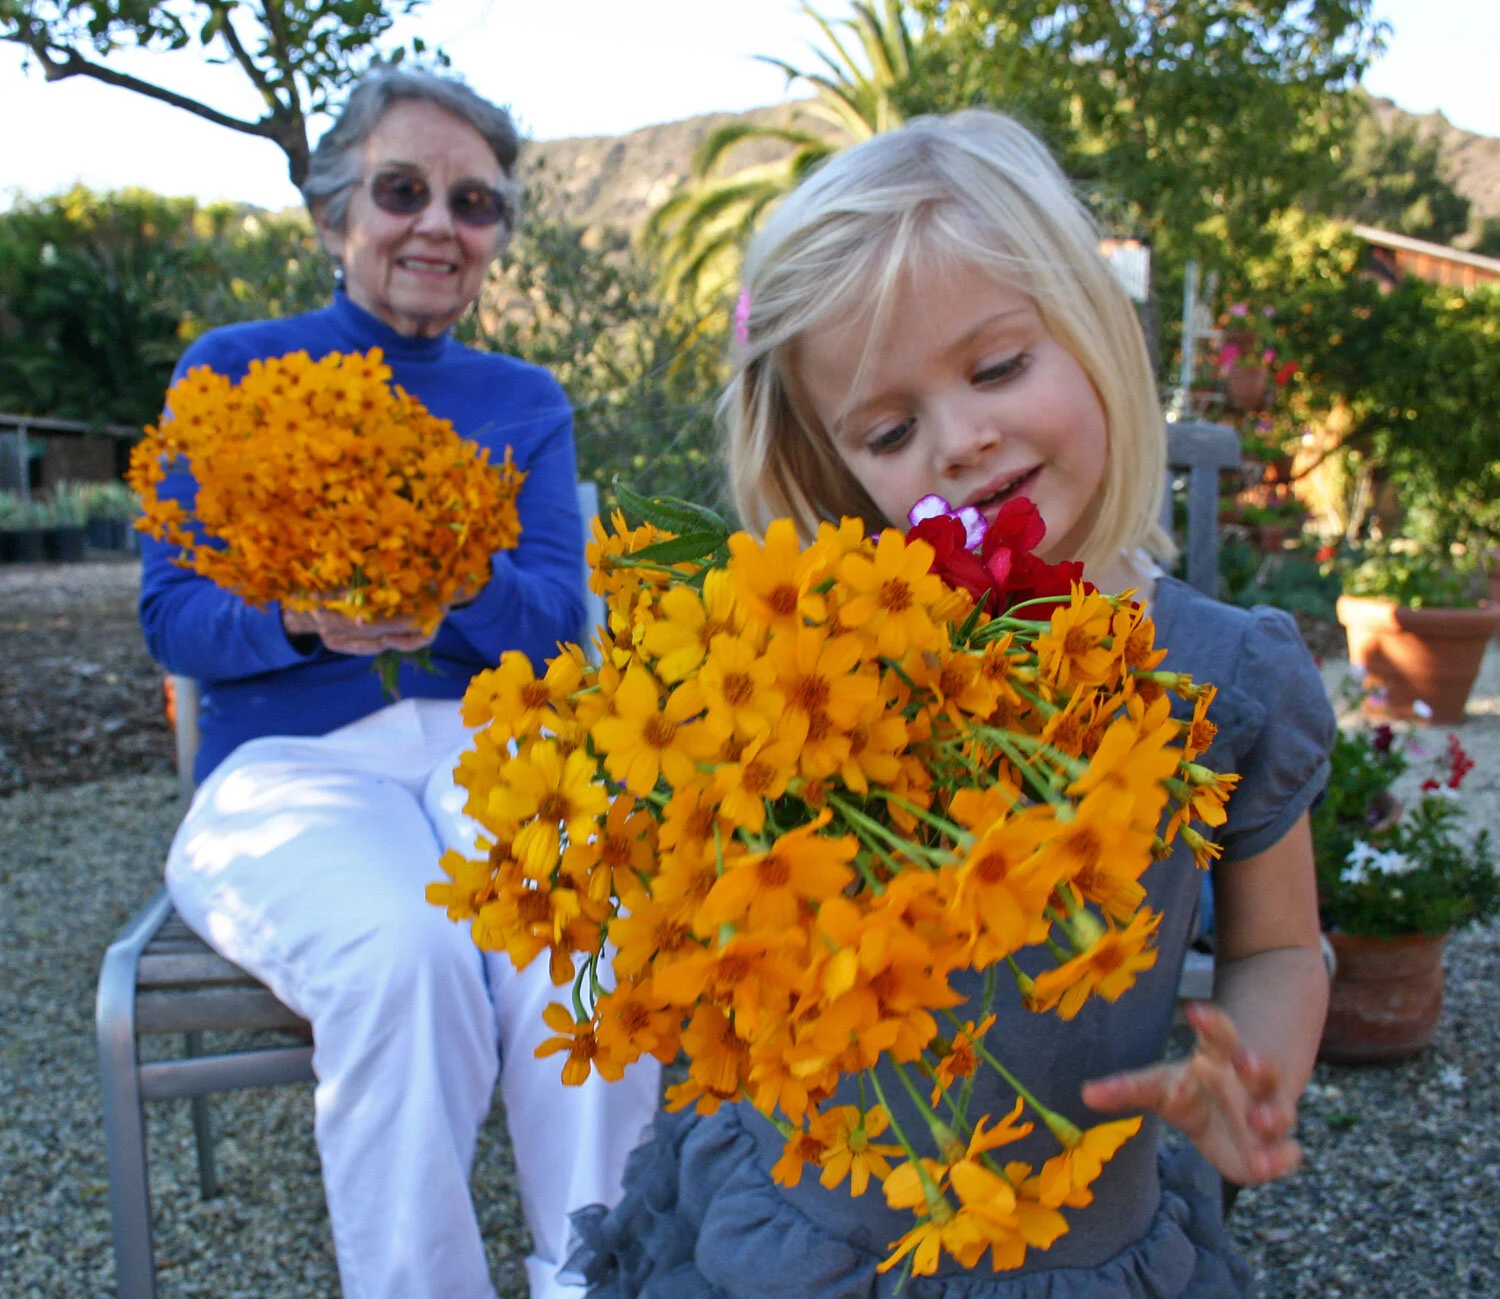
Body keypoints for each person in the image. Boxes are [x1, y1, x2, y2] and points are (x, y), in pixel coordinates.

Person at [567, 110, 1333, 1297]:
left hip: (1073, 1238)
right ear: (834, 468)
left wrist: (1259, 1067)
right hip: (795, 1236)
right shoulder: (816, 664)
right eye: (889, 429)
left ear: (1093, 330)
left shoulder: (1223, 678)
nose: (962, 442)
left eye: (997, 367)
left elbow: (1281, 943)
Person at [140, 66, 659, 1299]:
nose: (439, 222)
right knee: (401, 958)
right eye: (403, 189)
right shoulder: (233, 369)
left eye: (473, 201)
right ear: (335, 215)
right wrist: (307, 621)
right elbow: (175, 617)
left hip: (491, 751)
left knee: (583, 931)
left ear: (494, 238)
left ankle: (595, 1279)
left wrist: (452, 593)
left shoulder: (522, 401)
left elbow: (554, 625)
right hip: (292, 771)